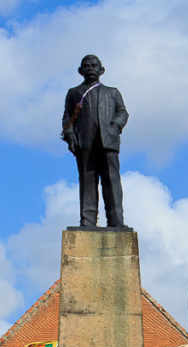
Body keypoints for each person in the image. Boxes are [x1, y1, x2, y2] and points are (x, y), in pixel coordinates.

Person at [61, 54, 128, 228]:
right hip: (84, 143)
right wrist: (70, 136)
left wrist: (114, 127)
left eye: (94, 65)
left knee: (111, 181)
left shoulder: (112, 92)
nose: (90, 68)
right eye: (87, 65)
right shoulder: (73, 93)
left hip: (108, 142)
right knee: (87, 181)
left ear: (102, 70)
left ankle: (116, 221)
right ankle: (88, 221)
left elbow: (123, 113)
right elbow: (67, 117)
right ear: (80, 70)